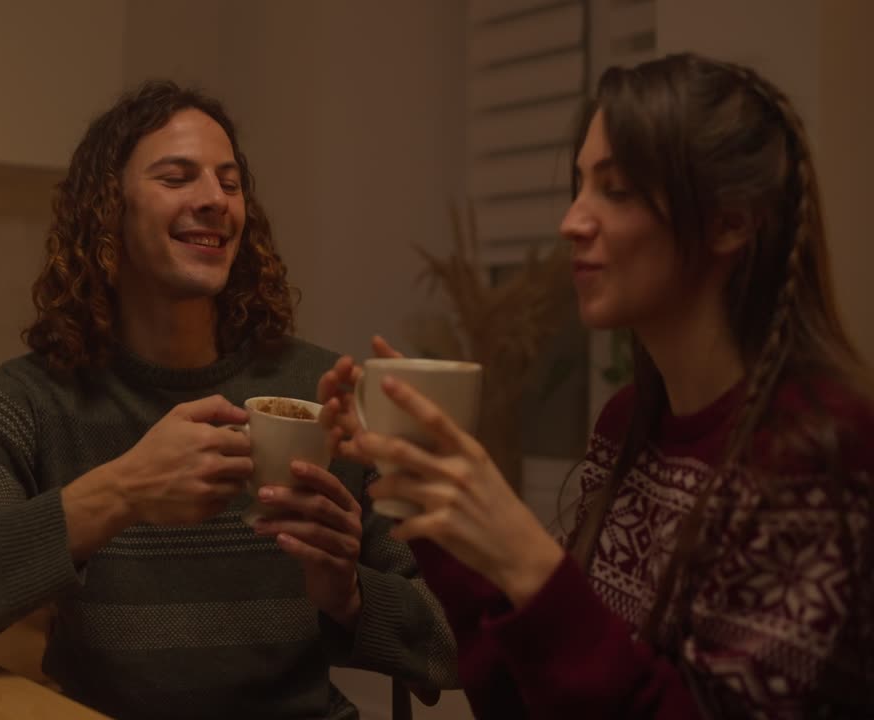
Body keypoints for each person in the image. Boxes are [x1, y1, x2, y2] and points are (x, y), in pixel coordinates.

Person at [0, 80, 457, 720]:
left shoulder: (320, 394)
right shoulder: (33, 402)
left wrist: (351, 595)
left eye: (228, 181)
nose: (215, 201)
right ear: (108, 210)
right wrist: (119, 493)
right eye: (176, 177)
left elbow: (457, 644)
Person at [319, 54, 874, 717]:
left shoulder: (821, 453)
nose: (572, 221)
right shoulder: (629, 423)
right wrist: (429, 498)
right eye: (579, 186)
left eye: (616, 190)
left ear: (731, 221)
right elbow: (524, 695)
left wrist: (528, 560)